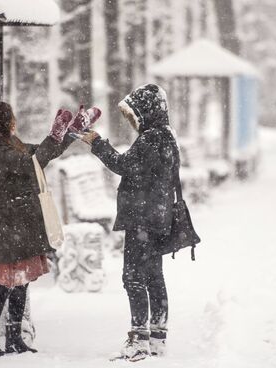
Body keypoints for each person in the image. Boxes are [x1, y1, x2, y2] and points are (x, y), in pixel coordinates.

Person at [0, 101, 99, 357]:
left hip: (22, 222)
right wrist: (55, 133)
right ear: (5, 121)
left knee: (21, 282)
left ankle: (14, 337)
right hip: (10, 222)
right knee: (6, 282)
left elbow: (43, 155)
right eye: (11, 117)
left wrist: (69, 132)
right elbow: (34, 162)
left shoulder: (10, 145)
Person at [80, 84, 179, 362]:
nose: (135, 120)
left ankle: (139, 340)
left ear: (147, 110)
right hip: (158, 216)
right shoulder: (167, 136)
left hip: (142, 219)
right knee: (154, 276)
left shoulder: (150, 139)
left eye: (136, 114)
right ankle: (158, 337)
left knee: (133, 276)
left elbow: (123, 166)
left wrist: (96, 143)